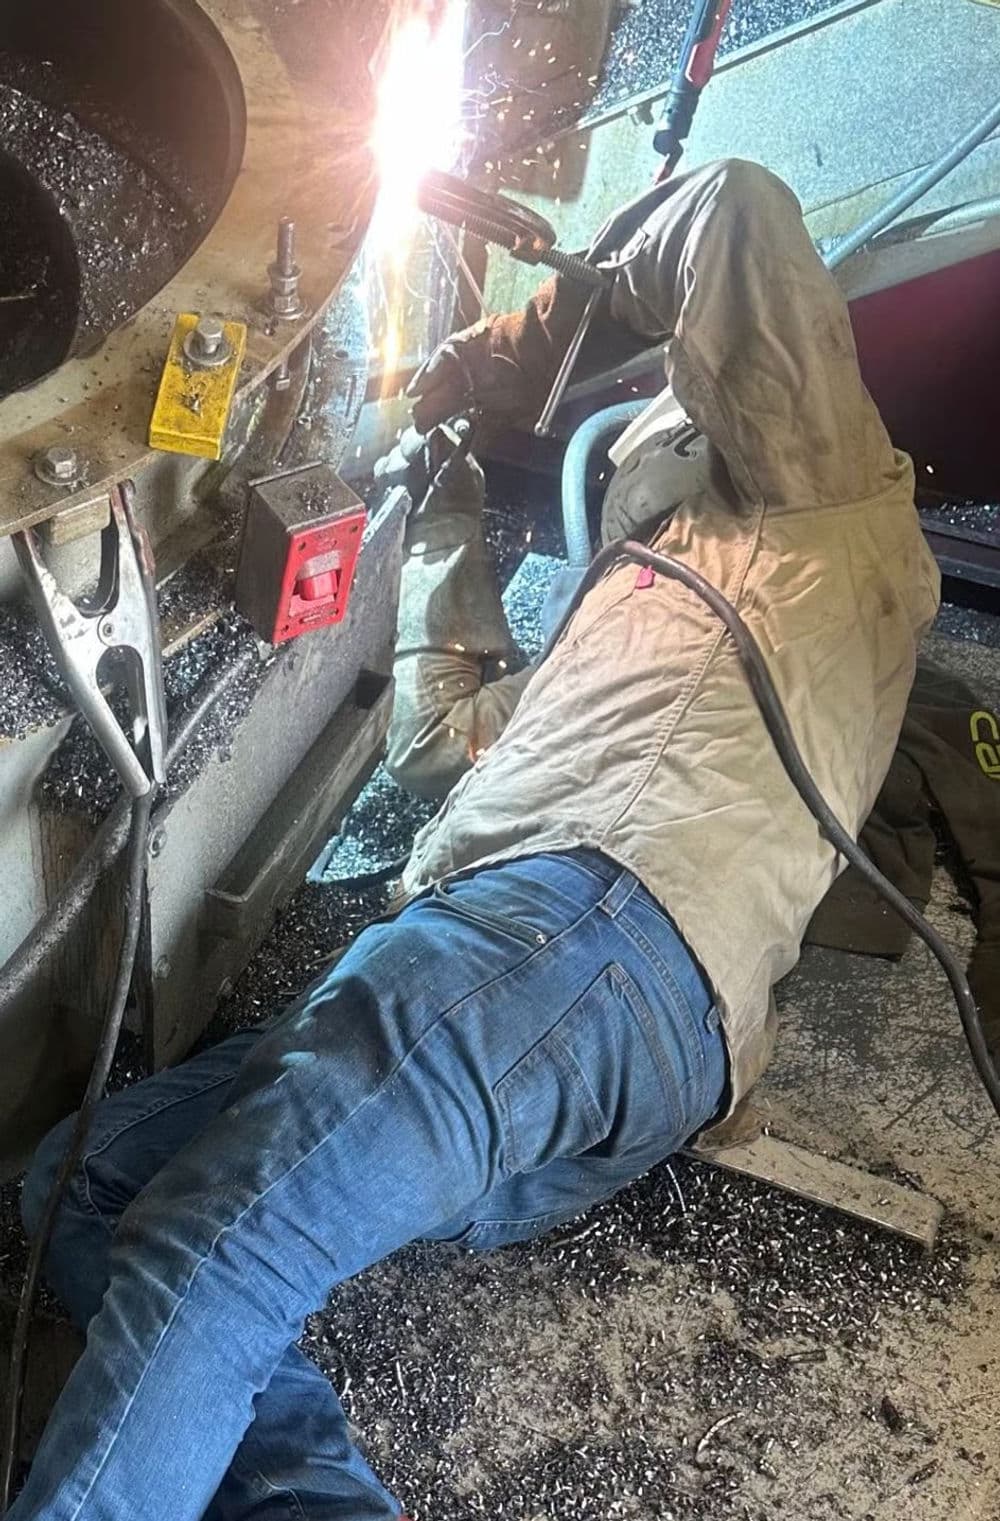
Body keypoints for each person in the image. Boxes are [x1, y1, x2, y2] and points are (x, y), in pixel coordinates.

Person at [13, 159, 938, 1521]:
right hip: (609, 1029)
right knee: (80, 1183)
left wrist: (494, 363)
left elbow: (731, 208)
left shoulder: (825, 506)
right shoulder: (666, 639)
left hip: (576, 931)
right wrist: (436, 497)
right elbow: (443, 737)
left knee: (226, 1243)